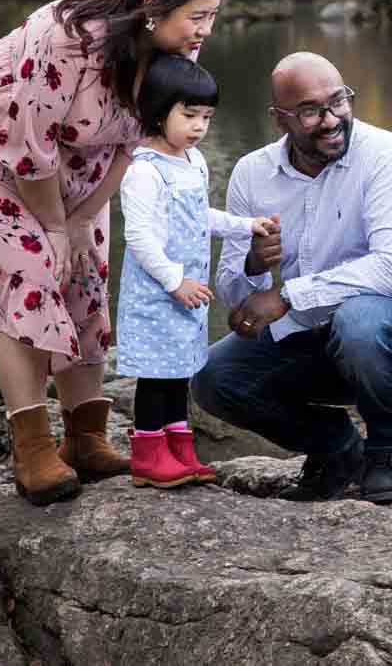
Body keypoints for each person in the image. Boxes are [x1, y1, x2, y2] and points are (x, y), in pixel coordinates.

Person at [0, 0, 228, 505]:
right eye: (198, 15)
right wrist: (55, 227)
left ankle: (84, 437)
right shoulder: (63, 40)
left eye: (212, 16)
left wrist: (84, 217)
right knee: (30, 271)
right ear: (155, 4)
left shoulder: (178, 50)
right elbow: (27, 150)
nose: (205, 29)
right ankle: (32, 447)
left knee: (85, 273)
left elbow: (142, 140)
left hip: (84, 154)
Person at [192, 52, 392, 504]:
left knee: (361, 319)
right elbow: (238, 300)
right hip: (321, 339)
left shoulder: (384, 155)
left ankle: (391, 448)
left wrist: (288, 295)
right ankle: (338, 450)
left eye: (339, 101)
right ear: (279, 119)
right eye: (311, 111)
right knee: (214, 377)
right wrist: (255, 268)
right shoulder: (252, 174)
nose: (331, 119)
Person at [115, 54, 276, 489]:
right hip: (160, 293)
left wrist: (244, 225)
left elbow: (197, 216)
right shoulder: (144, 172)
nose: (200, 126)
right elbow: (140, 237)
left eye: (206, 116)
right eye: (189, 115)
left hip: (190, 293)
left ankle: (179, 451)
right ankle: (149, 458)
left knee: (179, 372)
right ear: (157, 110)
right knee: (155, 377)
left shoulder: (193, 161)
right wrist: (174, 281)